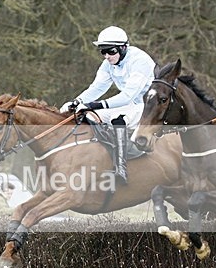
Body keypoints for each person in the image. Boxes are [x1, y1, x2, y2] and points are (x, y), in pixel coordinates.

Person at [59, 26, 156, 182]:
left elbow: (127, 96)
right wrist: (76, 101)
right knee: (88, 116)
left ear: (124, 47)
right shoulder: (108, 64)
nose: (107, 56)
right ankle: (98, 157)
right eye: (103, 52)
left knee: (118, 118)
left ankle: (121, 169)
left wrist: (95, 104)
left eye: (111, 51)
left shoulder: (140, 61)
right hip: (127, 104)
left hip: (146, 105)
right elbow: (97, 88)